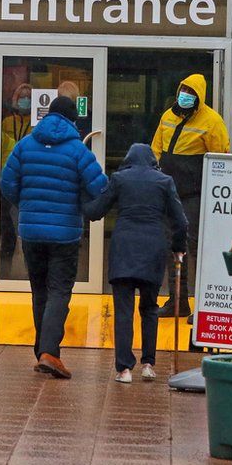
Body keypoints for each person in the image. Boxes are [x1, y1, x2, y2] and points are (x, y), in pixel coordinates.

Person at [0, 96, 108, 379]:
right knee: (59, 292)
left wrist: (26, 206)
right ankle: (49, 352)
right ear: (73, 120)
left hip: (32, 233)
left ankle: (42, 352)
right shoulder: (77, 150)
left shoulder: (25, 145)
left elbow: (7, 184)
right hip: (65, 235)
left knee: (40, 291)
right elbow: (100, 188)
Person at [83, 144, 188, 383]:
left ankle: (124, 369)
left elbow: (96, 211)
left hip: (124, 248)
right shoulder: (164, 181)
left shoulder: (119, 179)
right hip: (153, 249)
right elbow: (180, 222)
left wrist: (79, 199)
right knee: (150, 308)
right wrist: (178, 248)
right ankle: (148, 364)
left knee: (123, 311)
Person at [151, 74, 229, 319]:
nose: (185, 96)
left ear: (199, 96)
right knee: (172, 248)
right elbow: (156, 149)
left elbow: (221, 157)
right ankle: (177, 301)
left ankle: (203, 305)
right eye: (183, 90)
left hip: (195, 194)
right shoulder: (167, 116)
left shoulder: (212, 121)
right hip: (170, 192)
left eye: (190, 92)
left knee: (195, 248)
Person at [0, 83, 33, 279]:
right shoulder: (7, 122)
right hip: (5, 176)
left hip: (27, 178)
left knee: (25, 222)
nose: (25, 99)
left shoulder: (37, 124)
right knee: (6, 224)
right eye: (22, 96)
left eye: (28, 96)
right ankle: (4, 268)